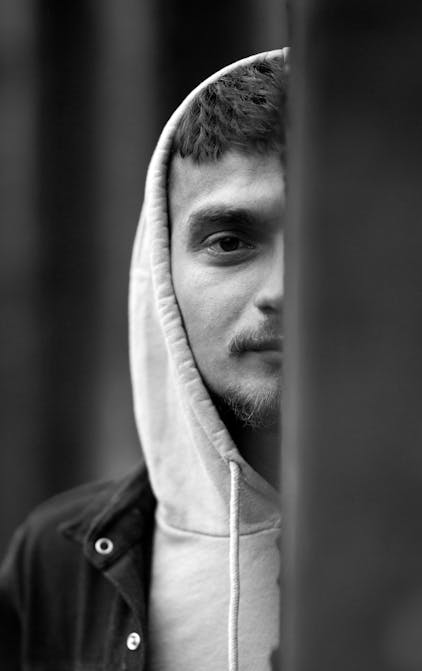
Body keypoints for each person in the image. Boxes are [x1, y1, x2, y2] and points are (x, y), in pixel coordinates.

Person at [0, 47, 288, 671]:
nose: (282, 291)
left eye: (324, 238)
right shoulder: (56, 561)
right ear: (162, 273)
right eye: (230, 241)